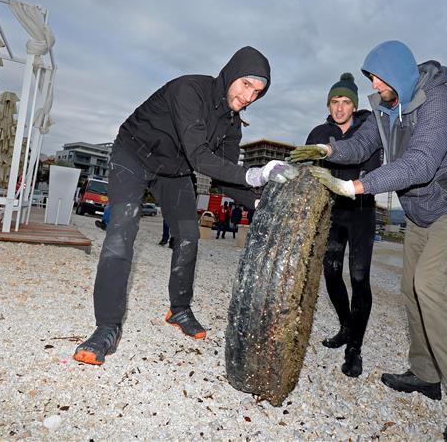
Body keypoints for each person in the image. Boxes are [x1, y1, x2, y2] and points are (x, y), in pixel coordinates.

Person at [291, 40, 447, 440]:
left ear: (397, 73)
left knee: (431, 287)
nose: (373, 83)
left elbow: (418, 165)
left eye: (376, 76)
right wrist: (326, 147)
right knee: (410, 291)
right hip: (421, 214)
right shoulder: (389, 106)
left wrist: (355, 187)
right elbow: (363, 144)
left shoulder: (439, 103)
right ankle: (425, 374)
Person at [74, 46, 297, 366]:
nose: (249, 96)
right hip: (134, 155)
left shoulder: (232, 126)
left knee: (189, 236)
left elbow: (224, 176)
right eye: (246, 85)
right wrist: (256, 174)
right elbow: (201, 157)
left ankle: (178, 309)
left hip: (174, 170)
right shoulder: (189, 90)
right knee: (122, 230)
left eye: (257, 92)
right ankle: (106, 328)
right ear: (231, 74)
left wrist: (259, 204)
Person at [304, 72, 381, 378]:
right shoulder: (318, 132)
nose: (339, 108)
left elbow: (373, 170)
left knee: (359, 276)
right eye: (334, 101)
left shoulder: (368, 131)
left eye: (346, 101)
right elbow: (309, 170)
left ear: (354, 105)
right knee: (332, 272)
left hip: (361, 209)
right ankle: (346, 327)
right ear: (329, 104)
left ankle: (355, 349)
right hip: (333, 212)